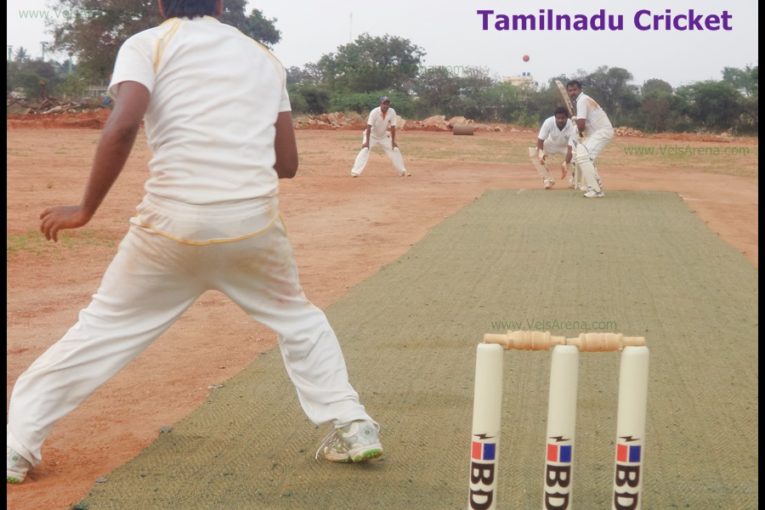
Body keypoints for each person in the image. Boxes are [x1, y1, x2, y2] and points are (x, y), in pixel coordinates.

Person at [7, 0, 383, 484]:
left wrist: (84, 211)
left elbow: (122, 125)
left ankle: (16, 448)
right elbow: (287, 164)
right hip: (252, 227)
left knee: (100, 330)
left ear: (162, 2)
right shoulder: (264, 58)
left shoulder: (146, 45)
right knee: (300, 322)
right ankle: (353, 425)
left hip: (169, 228)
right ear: (222, 4)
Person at [566, 80, 614, 198]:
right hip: (597, 133)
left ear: (580, 89)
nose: (573, 92)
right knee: (580, 156)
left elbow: (581, 126)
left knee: (583, 157)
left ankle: (596, 190)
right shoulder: (584, 99)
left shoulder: (582, 101)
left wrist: (576, 125)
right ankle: (596, 184)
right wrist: (577, 123)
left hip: (602, 131)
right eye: (570, 90)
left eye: (575, 90)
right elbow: (584, 125)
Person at [350, 96, 410, 177]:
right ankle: (355, 172)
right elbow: (369, 127)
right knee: (365, 150)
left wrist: (393, 142)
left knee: (395, 149)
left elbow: (393, 127)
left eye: (387, 104)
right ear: (380, 104)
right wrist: (367, 142)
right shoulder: (374, 112)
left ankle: (402, 171)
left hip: (383, 136)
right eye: (384, 103)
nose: (386, 105)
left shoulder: (392, 112)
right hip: (371, 135)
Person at [529, 106, 575, 190]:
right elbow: (540, 140)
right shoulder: (548, 122)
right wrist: (540, 153)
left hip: (567, 146)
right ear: (555, 117)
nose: (560, 120)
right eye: (558, 118)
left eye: (563, 118)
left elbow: (571, 148)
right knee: (534, 153)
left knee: (579, 156)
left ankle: (574, 180)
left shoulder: (572, 125)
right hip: (551, 144)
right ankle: (548, 179)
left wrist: (566, 162)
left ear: (567, 118)